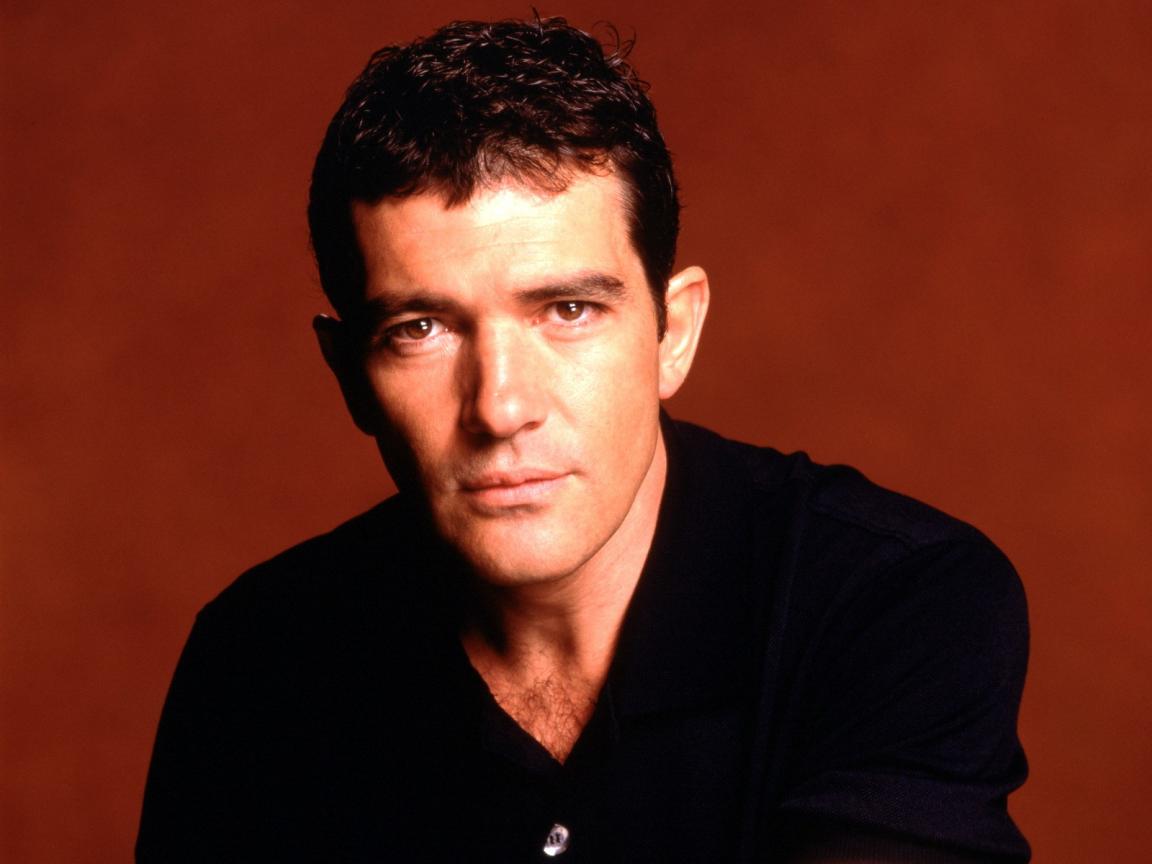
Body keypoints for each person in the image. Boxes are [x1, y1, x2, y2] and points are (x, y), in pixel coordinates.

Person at [137, 17, 1030, 863]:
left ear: (674, 332)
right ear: (348, 375)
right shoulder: (259, 663)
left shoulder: (892, 603)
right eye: (421, 329)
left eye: (568, 310)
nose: (500, 407)